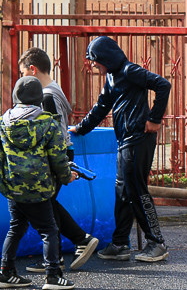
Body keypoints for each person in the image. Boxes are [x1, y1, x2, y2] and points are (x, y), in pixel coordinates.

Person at [70, 36, 171, 263]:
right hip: (125, 142)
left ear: (106, 57)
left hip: (138, 140)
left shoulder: (129, 71)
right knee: (122, 192)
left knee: (137, 191)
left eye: (95, 60)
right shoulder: (112, 77)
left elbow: (163, 85)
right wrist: (80, 128)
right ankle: (120, 244)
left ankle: (157, 242)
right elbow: (101, 106)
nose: (93, 64)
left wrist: (154, 118)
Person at [0, 76, 75, 290]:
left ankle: (6, 273)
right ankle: (53, 276)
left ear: (16, 97)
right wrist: (66, 176)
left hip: (13, 188)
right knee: (49, 230)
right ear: (40, 99)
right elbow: (58, 157)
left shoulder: (1, 122)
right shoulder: (48, 123)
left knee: (16, 227)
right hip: (40, 188)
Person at [18, 47, 99, 270]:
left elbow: (51, 129)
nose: (21, 79)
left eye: (22, 72)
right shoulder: (52, 90)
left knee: (44, 205)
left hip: (56, 153)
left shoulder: (46, 95)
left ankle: (80, 241)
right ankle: (59, 255)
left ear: (32, 70)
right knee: (47, 204)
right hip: (59, 153)